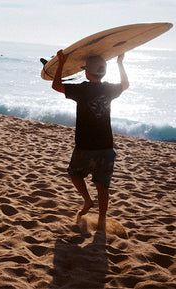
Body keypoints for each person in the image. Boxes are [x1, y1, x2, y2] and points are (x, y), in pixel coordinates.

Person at [52, 50, 129, 230]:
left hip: (85, 145)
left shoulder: (81, 89)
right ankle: (102, 219)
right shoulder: (109, 89)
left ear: (87, 72)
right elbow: (125, 84)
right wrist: (120, 63)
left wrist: (61, 63)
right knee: (103, 185)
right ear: (103, 72)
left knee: (74, 173)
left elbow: (56, 85)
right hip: (106, 145)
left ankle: (87, 200)